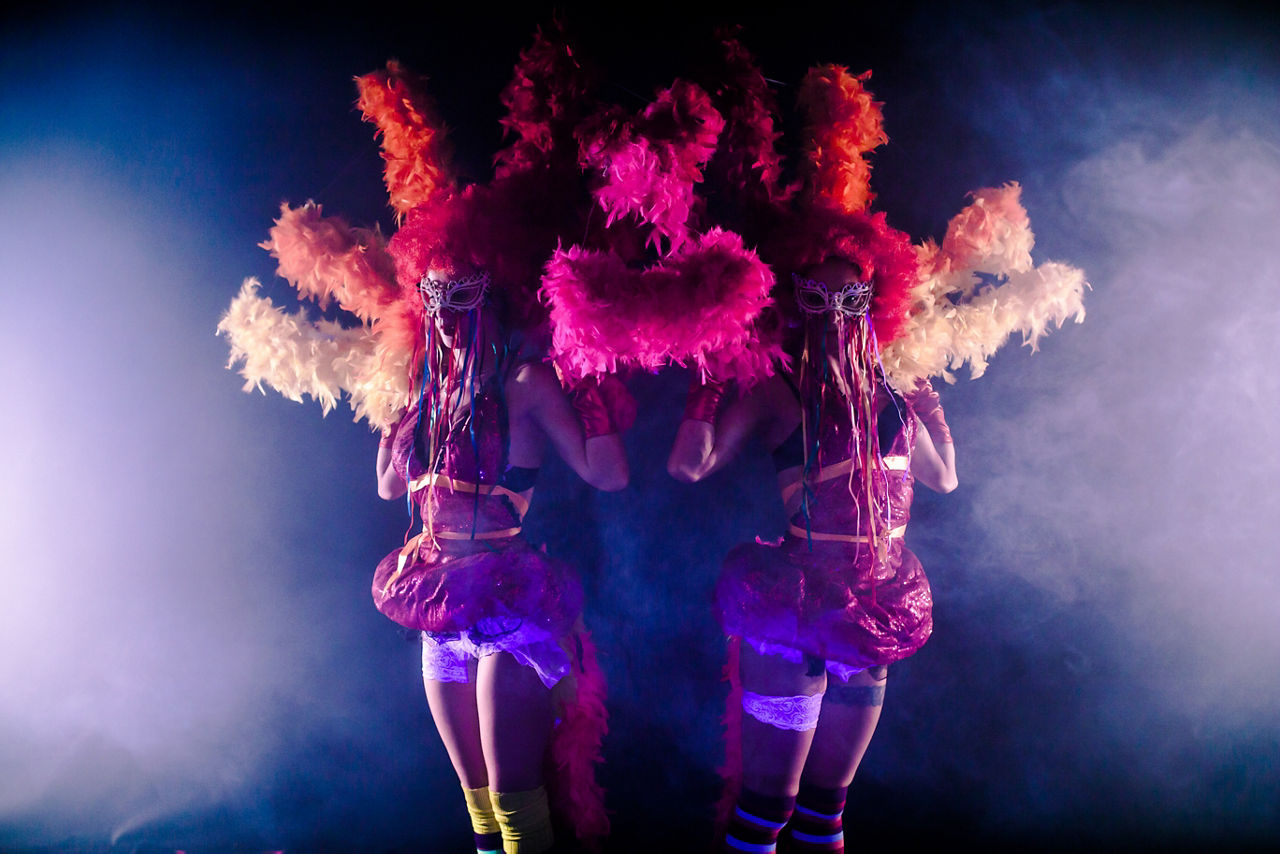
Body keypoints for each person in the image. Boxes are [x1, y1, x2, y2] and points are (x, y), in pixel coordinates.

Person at [669, 248, 956, 853]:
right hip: (797, 607)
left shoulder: (894, 398)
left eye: (850, 299)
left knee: (827, 806)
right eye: (817, 298)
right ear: (795, 307)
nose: (836, 313)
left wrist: (929, 402)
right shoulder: (780, 394)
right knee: (768, 805)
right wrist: (710, 386)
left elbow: (945, 478)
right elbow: (689, 467)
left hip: (878, 603)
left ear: (870, 304)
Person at [374, 262, 627, 854]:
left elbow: (606, 475)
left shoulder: (526, 381)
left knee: (514, 797)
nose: (443, 310)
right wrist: (390, 415)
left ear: (489, 299)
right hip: (437, 599)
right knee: (478, 799)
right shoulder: (422, 387)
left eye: (458, 292)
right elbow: (389, 486)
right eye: (432, 295)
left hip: (506, 604)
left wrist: (591, 396)